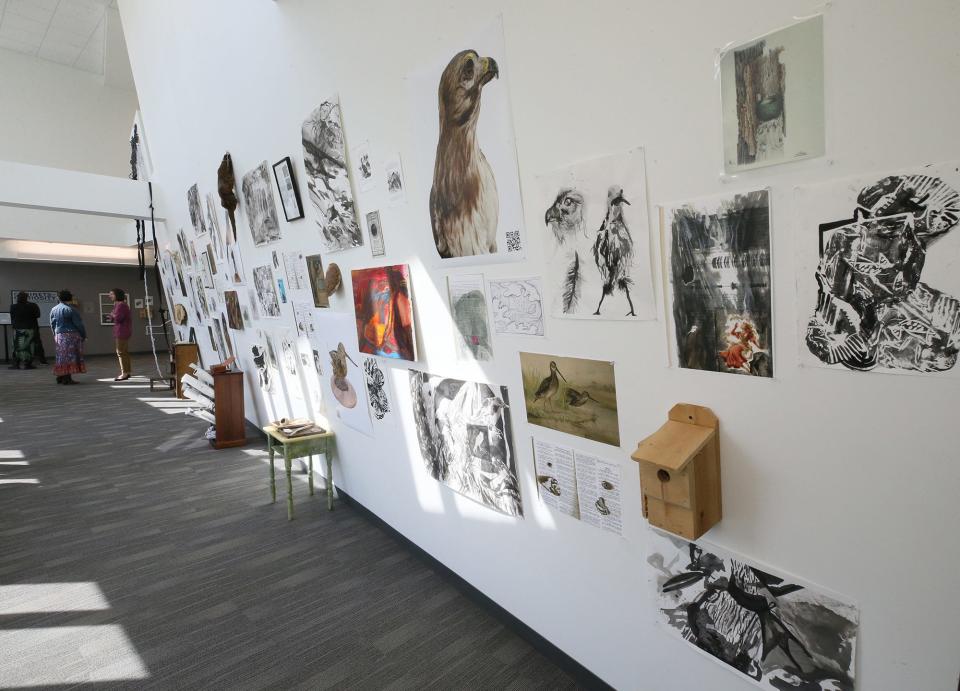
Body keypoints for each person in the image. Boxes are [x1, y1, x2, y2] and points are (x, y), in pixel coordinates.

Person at [49, 290, 86, 385]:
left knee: (61, 356)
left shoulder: (54, 309)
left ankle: (60, 376)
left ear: (59, 298)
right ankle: (67, 378)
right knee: (70, 356)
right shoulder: (71, 309)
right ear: (70, 298)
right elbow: (78, 324)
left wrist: (55, 334)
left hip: (59, 335)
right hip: (71, 335)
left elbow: (52, 324)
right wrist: (83, 335)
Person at [9, 292, 40, 370]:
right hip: (29, 329)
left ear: (18, 298)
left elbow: (12, 316)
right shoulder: (32, 306)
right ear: (27, 298)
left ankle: (16, 364)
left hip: (17, 329)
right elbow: (38, 315)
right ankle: (28, 364)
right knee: (29, 347)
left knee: (16, 347)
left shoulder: (13, 306)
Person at [110, 288, 132, 381]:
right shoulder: (119, 305)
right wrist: (113, 315)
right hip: (122, 331)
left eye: (111, 294)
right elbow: (115, 317)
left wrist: (113, 315)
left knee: (121, 352)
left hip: (122, 331)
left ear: (117, 295)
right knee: (124, 352)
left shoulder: (121, 305)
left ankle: (124, 373)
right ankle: (127, 372)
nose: (110, 296)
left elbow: (118, 318)